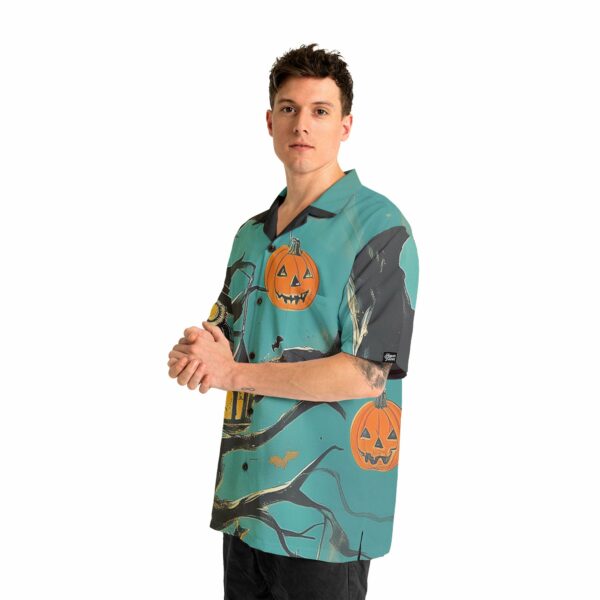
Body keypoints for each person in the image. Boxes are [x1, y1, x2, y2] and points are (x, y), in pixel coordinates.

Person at [167, 43, 419, 600]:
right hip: (246, 505)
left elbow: (367, 375)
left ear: (345, 125)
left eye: (319, 111)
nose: (301, 124)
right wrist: (196, 353)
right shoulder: (251, 234)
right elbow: (228, 339)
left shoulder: (379, 228)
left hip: (327, 519)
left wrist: (232, 374)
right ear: (270, 121)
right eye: (289, 108)